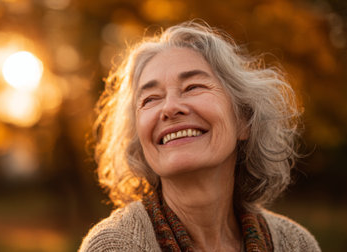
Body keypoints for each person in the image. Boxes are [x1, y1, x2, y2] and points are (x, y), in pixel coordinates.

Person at [80, 21, 320, 252]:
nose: (170, 108)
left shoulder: (296, 243)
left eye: (193, 87)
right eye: (150, 99)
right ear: (139, 139)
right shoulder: (114, 246)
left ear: (244, 120)